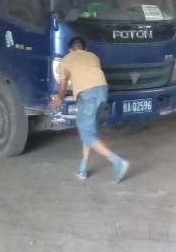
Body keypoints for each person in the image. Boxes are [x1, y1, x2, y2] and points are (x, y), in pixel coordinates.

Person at [50, 36, 130, 183]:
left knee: (87, 134)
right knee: (88, 132)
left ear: (70, 50)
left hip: (87, 95)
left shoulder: (66, 60)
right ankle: (82, 169)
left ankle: (117, 161)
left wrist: (60, 98)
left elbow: (62, 86)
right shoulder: (93, 56)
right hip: (102, 91)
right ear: (85, 49)